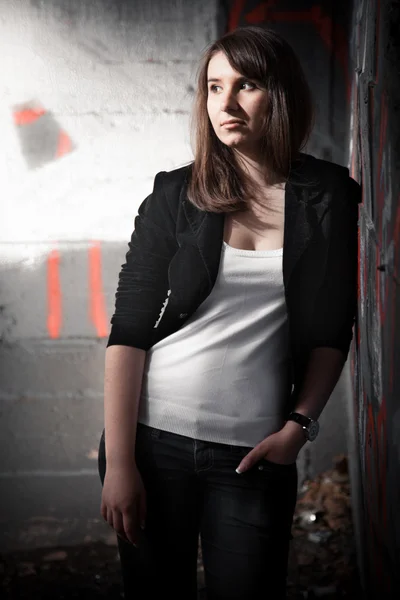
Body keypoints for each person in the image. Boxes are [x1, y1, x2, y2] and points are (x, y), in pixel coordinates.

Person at [97, 25, 360, 600]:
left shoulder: (328, 196)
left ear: (281, 95)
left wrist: (299, 428)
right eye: (215, 87)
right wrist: (120, 462)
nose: (226, 103)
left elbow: (333, 328)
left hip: (254, 456)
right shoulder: (174, 194)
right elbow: (129, 328)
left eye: (246, 85)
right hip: (151, 440)